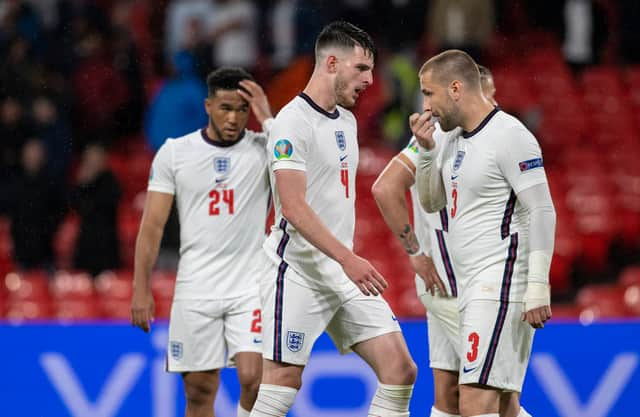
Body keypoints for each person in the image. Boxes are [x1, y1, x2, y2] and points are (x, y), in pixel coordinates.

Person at [250, 21, 417, 417]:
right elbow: (291, 205)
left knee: (400, 369)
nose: (370, 80)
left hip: (340, 271)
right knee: (282, 382)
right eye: (361, 69)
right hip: (297, 272)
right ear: (330, 63)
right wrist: (347, 257)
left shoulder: (346, 120)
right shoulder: (294, 120)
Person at [372, 64, 533, 417]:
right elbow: (384, 189)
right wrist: (414, 252)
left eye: (492, 96)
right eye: (485, 95)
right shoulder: (437, 141)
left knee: (450, 395)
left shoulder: (481, 142)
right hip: (458, 286)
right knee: (496, 397)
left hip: (453, 287)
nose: (490, 104)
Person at [413, 50, 555, 417]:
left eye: (429, 93)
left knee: (474, 397)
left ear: (456, 88)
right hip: (469, 284)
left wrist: (538, 285)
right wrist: (427, 153)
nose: (426, 105)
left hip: (500, 283)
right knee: (500, 404)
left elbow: (542, 209)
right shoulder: (451, 139)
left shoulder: (510, 135)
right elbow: (431, 203)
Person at [130, 67, 274, 417]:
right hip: (196, 287)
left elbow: (301, 161)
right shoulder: (176, 153)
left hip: (250, 285)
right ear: (208, 105)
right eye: (225, 107)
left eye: (242, 109)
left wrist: (267, 116)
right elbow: (152, 225)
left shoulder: (265, 149)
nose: (234, 117)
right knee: (198, 391)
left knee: (255, 380)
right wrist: (140, 288)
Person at [72, 143, 121, 276]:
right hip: (86, 248)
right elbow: (75, 207)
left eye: (96, 159)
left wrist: (88, 183)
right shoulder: (83, 183)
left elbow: (99, 208)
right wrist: (82, 185)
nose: (92, 163)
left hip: (106, 249)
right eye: (89, 159)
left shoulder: (111, 182)